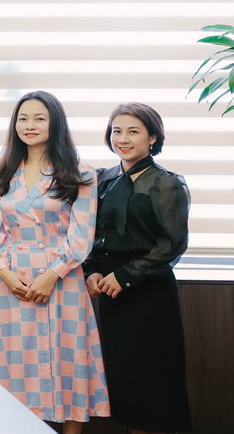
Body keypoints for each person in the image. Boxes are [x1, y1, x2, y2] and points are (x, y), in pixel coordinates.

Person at [0, 91, 108, 433]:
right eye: (23, 118)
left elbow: (82, 236)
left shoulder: (80, 172)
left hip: (63, 278)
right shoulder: (5, 171)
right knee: (20, 364)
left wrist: (52, 275)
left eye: (40, 118)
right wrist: (4, 271)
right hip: (15, 280)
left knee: (69, 359)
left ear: (55, 123)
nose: (30, 125)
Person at [84, 103, 191, 433]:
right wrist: (91, 270)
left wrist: (126, 276)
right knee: (123, 379)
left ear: (153, 137)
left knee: (152, 381)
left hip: (148, 291)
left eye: (133, 131)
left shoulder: (167, 183)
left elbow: (172, 244)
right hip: (110, 293)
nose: (123, 139)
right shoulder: (101, 178)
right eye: (117, 131)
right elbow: (89, 231)